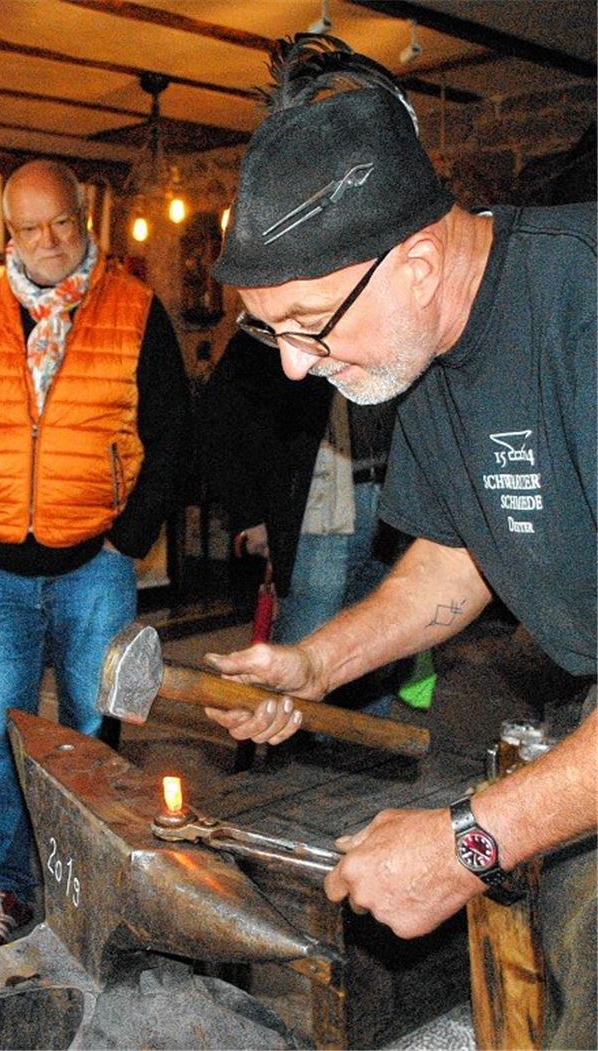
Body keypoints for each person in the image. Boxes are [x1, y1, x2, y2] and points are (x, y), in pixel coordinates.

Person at [203, 37, 595, 1049]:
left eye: (307, 323)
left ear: (416, 263)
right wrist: (316, 663)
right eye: (271, 331)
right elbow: (455, 563)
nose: (294, 368)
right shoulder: (423, 347)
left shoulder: (584, 308)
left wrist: (471, 841)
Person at [0, 159, 190, 952]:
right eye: (29, 227)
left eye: (62, 223)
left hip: (94, 562)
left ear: (86, 219)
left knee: (92, 733)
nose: (48, 241)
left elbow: (175, 438)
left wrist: (127, 538)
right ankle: (4, 885)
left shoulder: (136, 309)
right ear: (8, 233)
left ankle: (91, 882)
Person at [201, 331, 403, 721]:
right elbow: (217, 422)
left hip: (392, 495)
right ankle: (301, 738)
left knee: (383, 631)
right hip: (319, 505)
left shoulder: (375, 317)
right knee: (307, 638)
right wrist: (250, 514)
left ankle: (368, 738)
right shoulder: (271, 327)